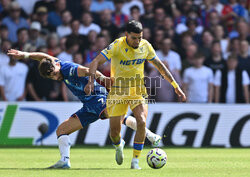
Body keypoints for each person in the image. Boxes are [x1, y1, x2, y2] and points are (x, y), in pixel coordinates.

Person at [7, 49, 162, 169]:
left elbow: (90, 70)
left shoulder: (69, 69)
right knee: (61, 130)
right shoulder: (54, 63)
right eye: (51, 77)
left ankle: (149, 136)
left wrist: (94, 82)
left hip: (97, 96)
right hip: (87, 105)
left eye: (54, 74)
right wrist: (26, 54)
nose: (55, 77)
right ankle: (64, 161)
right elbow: (42, 56)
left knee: (116, 117)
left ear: (56, 67)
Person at [84, 20, 186, 169]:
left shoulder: (145, 46)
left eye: (140, 37)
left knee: (142, 121)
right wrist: (91, 82)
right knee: (114, 133)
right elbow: (94, 62)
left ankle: (135, 161)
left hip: (137, 90)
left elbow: (160, 66)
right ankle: (119, 145)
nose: (138, 41)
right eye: (134, 38)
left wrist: (176, 86)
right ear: (126, 35)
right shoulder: (117, 45)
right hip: (118, 91)